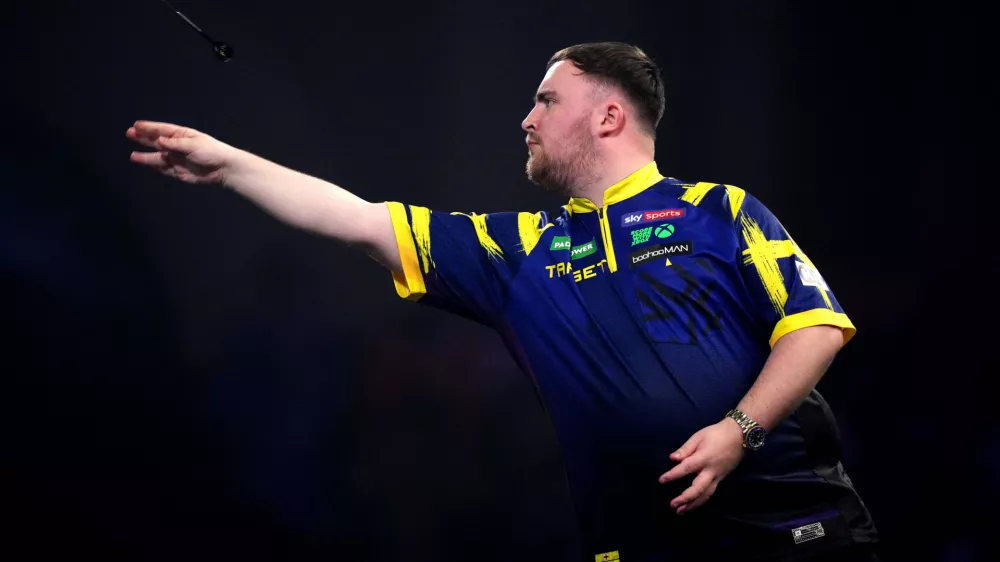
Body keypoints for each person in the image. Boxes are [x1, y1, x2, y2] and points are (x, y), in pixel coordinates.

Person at [126, 41, 879, 561]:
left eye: (546, 101)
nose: (526, 119)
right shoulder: (516, 252)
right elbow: (357, 217)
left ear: (609, 116)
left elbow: (817, 327)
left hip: (796, 532)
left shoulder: (721, 211)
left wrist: (738, 432)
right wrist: (228, 166)